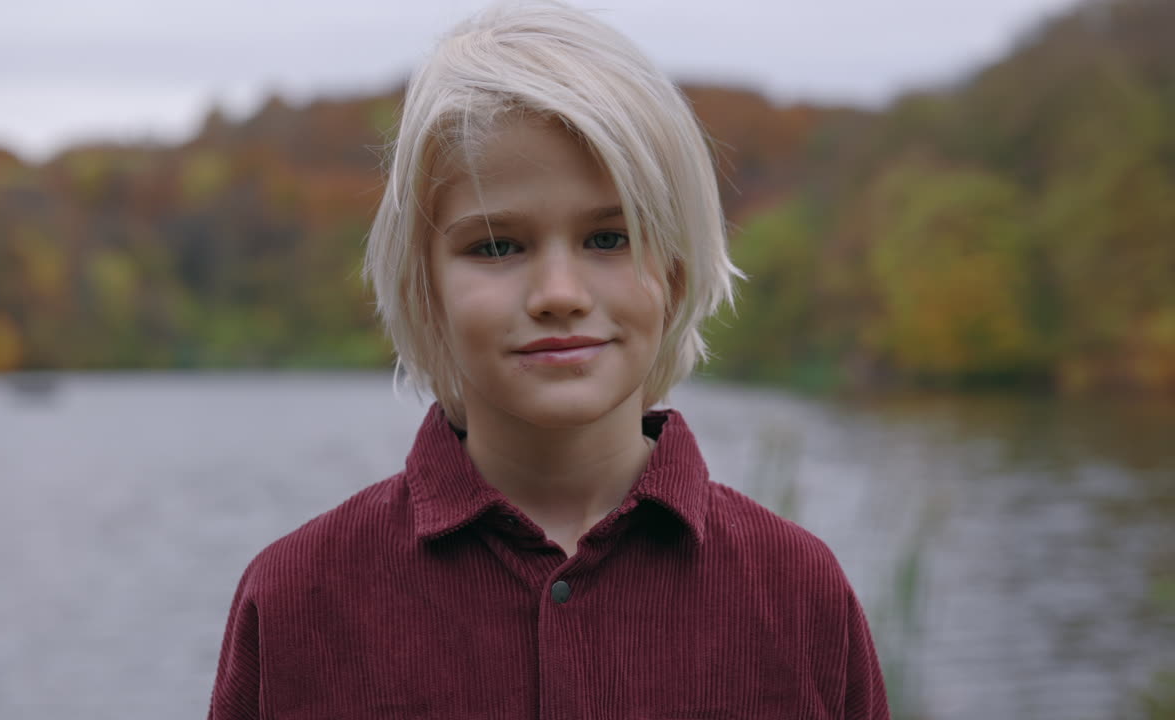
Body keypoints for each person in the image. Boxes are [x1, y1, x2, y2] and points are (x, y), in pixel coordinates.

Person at [208, 1, 890, 718]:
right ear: (426, 288)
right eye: (497, 246)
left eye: (608, 239)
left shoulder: (800, 593)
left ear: (676, 276)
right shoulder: (294, 601)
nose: (558, 294)